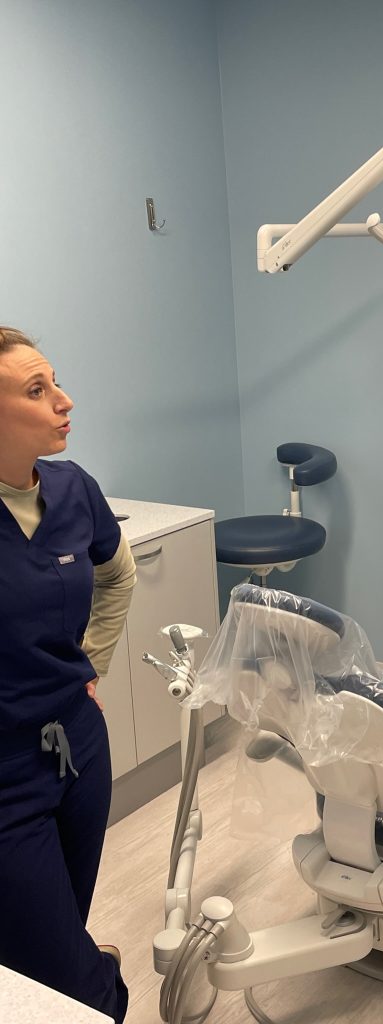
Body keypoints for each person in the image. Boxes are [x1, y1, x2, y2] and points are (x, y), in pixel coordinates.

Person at [0, 326, 136, 1022]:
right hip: (5, 774)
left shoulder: (71, 487)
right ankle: (102, 993)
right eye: (36, 390)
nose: (64, 400)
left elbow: (118, 576)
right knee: (70, 977)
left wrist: (94, 668)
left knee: (60, 929)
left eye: (54, 382)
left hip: (80, 744)